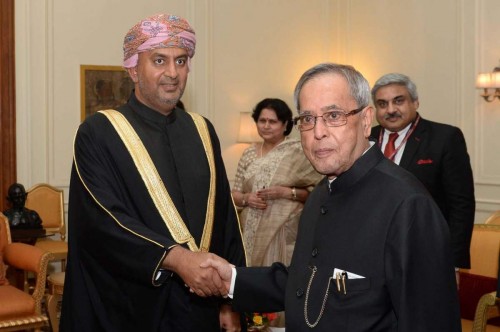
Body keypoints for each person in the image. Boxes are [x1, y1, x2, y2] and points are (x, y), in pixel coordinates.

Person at [201, 63, 461, 331]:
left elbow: (431, 321)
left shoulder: (408, 206)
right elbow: (307, 283)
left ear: (365, 120)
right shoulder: (320, 194)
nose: (318, 132)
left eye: (334, 115)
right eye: (308, 119)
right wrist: (230, 279)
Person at [60, 14, 246, 332]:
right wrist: (175, 258)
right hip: (133, 306)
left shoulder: (202, 130)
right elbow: (101, 222)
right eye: (159, 60)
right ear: (133, 68)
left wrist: (231, 300)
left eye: (181, 60)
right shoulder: (100, 131)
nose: (172, 73)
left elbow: (225, 219)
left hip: (201, 307)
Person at [370, 73, 475, 271]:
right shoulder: (365, 140)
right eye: (382, 104)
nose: (390, 110)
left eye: (398, 101)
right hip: (372, 250)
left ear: (415, 102)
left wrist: (453, 262)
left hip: (427, 252)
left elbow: (461, 204)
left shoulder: (444, 138)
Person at [232, 98, 321, 268]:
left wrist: (286, 193)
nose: (266, 126)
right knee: (253, 279)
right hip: (250, 231)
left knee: (281, 280)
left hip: (286, 229)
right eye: (262, 120)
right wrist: (247, 198)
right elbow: (234, 194)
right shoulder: (249, 153)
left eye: (272, 121)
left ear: (285, 124)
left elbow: (317, 193)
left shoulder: (299, 152)